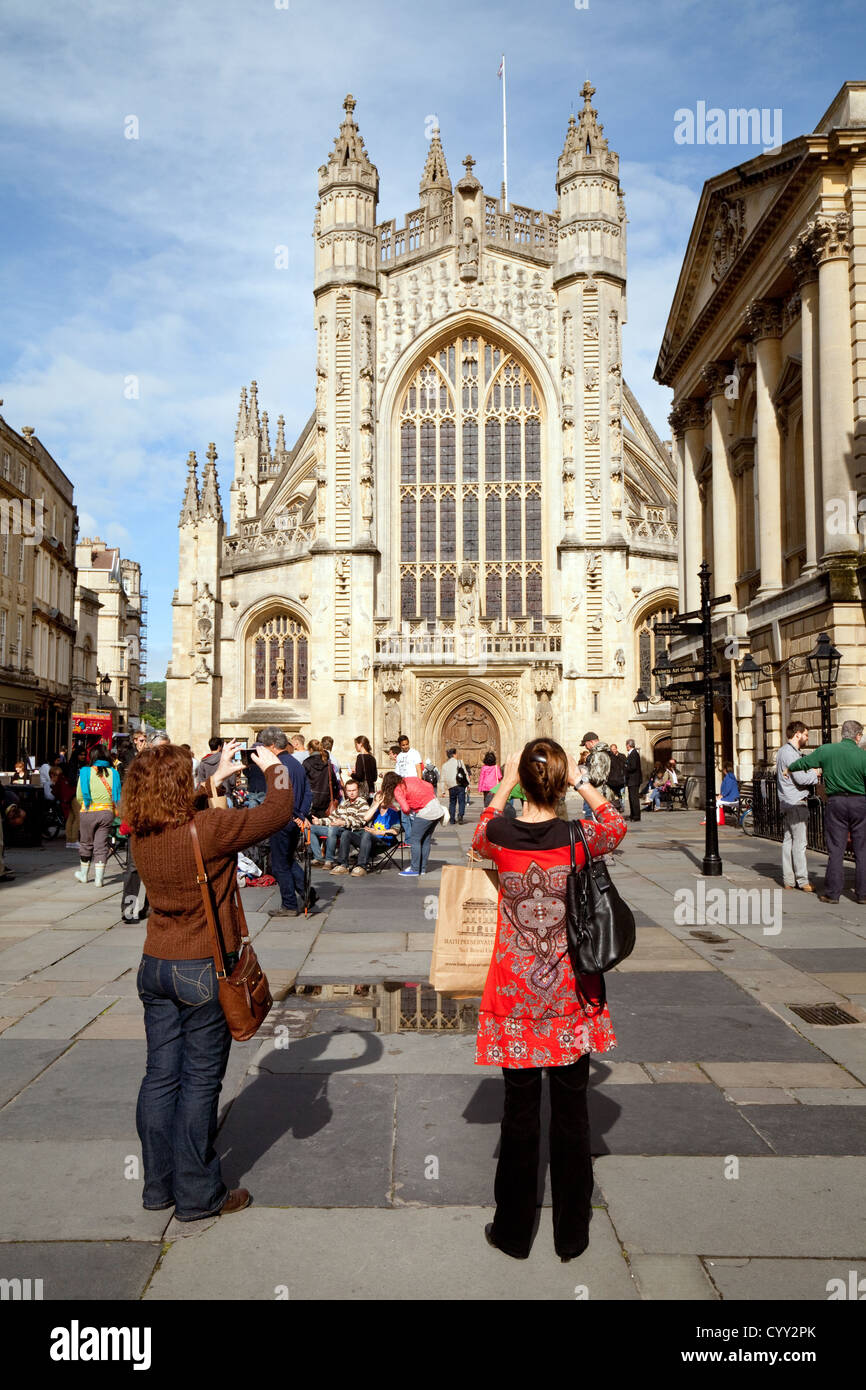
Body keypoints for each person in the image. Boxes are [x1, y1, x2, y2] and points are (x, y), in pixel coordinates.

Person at [471, 739, 626, 1261]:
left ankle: (513, 1234)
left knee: (518, 1114)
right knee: (572, 1113)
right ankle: (572, 1235)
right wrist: (582, 780)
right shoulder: (578, 837)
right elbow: (616, 826)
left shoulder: (497, 834)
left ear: (521, 780)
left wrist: (505, 786)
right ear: (559, 783)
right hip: (567, 993)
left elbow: (477, 833)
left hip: (515, 994)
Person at [126, 738, 292, 1221]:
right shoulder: (210, 828)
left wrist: (210, 782)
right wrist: (275, 765)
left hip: (155, 965)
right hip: (202, 969)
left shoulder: (142, 831)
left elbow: (174, 810)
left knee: (160, 1077)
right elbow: (277, 812)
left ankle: (158, 1186)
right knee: (199, 1081)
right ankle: (199, 1194)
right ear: (180, 787)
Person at [787, 718, 866, 905]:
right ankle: (863, 894)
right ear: (858, 736)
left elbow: (804, 763)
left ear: (842, 734)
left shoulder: (827, 750)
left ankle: (832, 893)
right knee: (862, 849)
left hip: (836, 802)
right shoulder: (863, 755)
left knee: (836, 849)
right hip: (859, 803)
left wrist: (789, 768)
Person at [257, 727, 313, 918]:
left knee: (279, 863)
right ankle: (307, 893)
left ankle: (289, 904)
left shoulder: (280, 766)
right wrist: (302, 815)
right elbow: (307, 792)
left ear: (272, 746)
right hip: (294, 819)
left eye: (265, 746)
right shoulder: (296, 763)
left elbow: (282, 798)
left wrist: (294, 814)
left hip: (283, 820)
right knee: (287, 859)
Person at [776, 721, 819, 894]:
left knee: (788, 842)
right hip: (796, 802)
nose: (807, 738)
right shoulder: (790, 754)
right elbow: (801, 778)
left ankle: (788, 880)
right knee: (800, 843)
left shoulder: (782, 751)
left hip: (786, 801)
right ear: (797, 734)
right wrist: (815, 773)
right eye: (806, 735)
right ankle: (802, 880)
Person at [330, 778, 402, 875]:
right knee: (346, 833)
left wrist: (377, 832)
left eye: (382, 799)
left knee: (367, 834)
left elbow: (395, 831)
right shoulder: (375, 812)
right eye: (378, 799)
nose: (381, 801)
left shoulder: (392, 813)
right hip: (369, 840)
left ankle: (361, 866)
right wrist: (376, 805)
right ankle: (343, 865)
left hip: (384, 841)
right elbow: (365, 818)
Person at [74, 743, 121, 885]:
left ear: (92, 756)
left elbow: (79, 796)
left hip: (88, 811)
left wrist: (86, 803)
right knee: (101, 845)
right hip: (107, 812)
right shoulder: (114, 773)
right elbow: (117, 795)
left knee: (86, 843)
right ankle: (99, 879)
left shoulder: (85, 772)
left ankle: (84, 874)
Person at [390, 770, 444, 875]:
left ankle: (414, 869)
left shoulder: (397, 790)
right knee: (425, 840)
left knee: (415, 839)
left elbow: (405, 809)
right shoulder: (410, 778)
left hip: (425, 812)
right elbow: (429, 785)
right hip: (436, 806)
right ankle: (422, 869)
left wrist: (407, 808)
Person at [310, 779, 370, 866]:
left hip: (350, 831)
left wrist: (343, 823)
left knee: (333, 829)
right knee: (311, 828)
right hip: (337, 829)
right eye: (349, 791)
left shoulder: (362, 803)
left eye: (354, 790)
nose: (351, 793)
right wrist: (319, 821)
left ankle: (329, 860)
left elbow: (360, 822)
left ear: (358, 790)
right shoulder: (344, 803)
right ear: (346, 791)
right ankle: (318, 858)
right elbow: (332, 818)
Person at [304, 742, 340, 819]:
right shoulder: (328, 763)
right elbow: (334, 782)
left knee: (310, 827)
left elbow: (303, 782)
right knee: (323, 826)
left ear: (310, 749)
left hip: (311, 800)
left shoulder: (306, 762)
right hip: (325, 800)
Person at [442, 747, 470, 823]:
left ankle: (452, 819)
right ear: (454, 754)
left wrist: (443, 791)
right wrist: (468, 784)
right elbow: (465, 773)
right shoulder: (460, 762)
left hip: (451, 786)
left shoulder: (444, 765)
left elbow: (442, 779)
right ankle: (460, 815)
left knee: (452, 802)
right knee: (461, 801)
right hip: (460, 785)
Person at [352, 735, 378, 800]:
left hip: (363, 791)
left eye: (356, 744)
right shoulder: (372, 758)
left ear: (361, 744)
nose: (355, 747)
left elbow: (359, 776)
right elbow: (375, 777)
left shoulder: (360, 757)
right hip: (371, 790)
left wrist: (352, 774)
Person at [624, 739, 642, 822]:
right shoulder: (631, 753)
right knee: (631, 798)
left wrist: (625, 767)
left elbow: (633, 767)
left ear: (628, 745)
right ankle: (632, 814)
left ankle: (636, 816)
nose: (626, 747)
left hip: (634, 779)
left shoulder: (634, 753)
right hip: (631, 780)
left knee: (634, 798)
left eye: (626, 745)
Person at [607, 743, 627, 811]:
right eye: (612, 749)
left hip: (621, 777)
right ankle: (616, 806)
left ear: (616, 749)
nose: (613, 750)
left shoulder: (622, 756)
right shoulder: (609, 757)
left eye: (614, 749)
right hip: (613, 778)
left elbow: (625, 765)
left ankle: (622, 806)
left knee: (622, 793)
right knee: (615, 794)